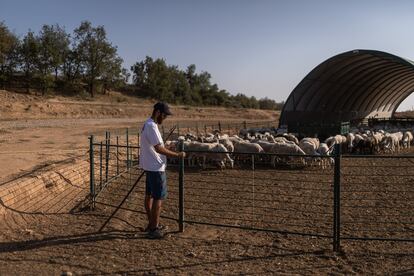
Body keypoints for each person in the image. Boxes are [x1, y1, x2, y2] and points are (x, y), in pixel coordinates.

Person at [139, 102, 185, 239]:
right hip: (156, 168)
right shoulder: (152, 126)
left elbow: (156, 147)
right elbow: (158, 148)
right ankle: (153, 229)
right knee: (158, 198)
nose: (164, 118)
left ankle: (152, 224)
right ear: (158, 112)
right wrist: (178, 155)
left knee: (149, 195)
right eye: (164, 115)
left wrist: (167, 149)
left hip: (149, 166)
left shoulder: (147, 124)